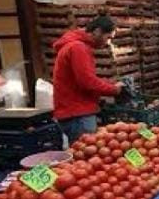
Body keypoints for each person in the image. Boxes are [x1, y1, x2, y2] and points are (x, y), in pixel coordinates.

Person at [52, 15, 124, 144]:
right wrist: (114, 89)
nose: (108, 43)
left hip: (73, 111)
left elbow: (83, 78)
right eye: (108, 37)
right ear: (97, 31)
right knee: (86, 156)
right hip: (78, 113)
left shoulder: (74, 46)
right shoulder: (78, 48)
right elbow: (87, 82)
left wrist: (109, 84)